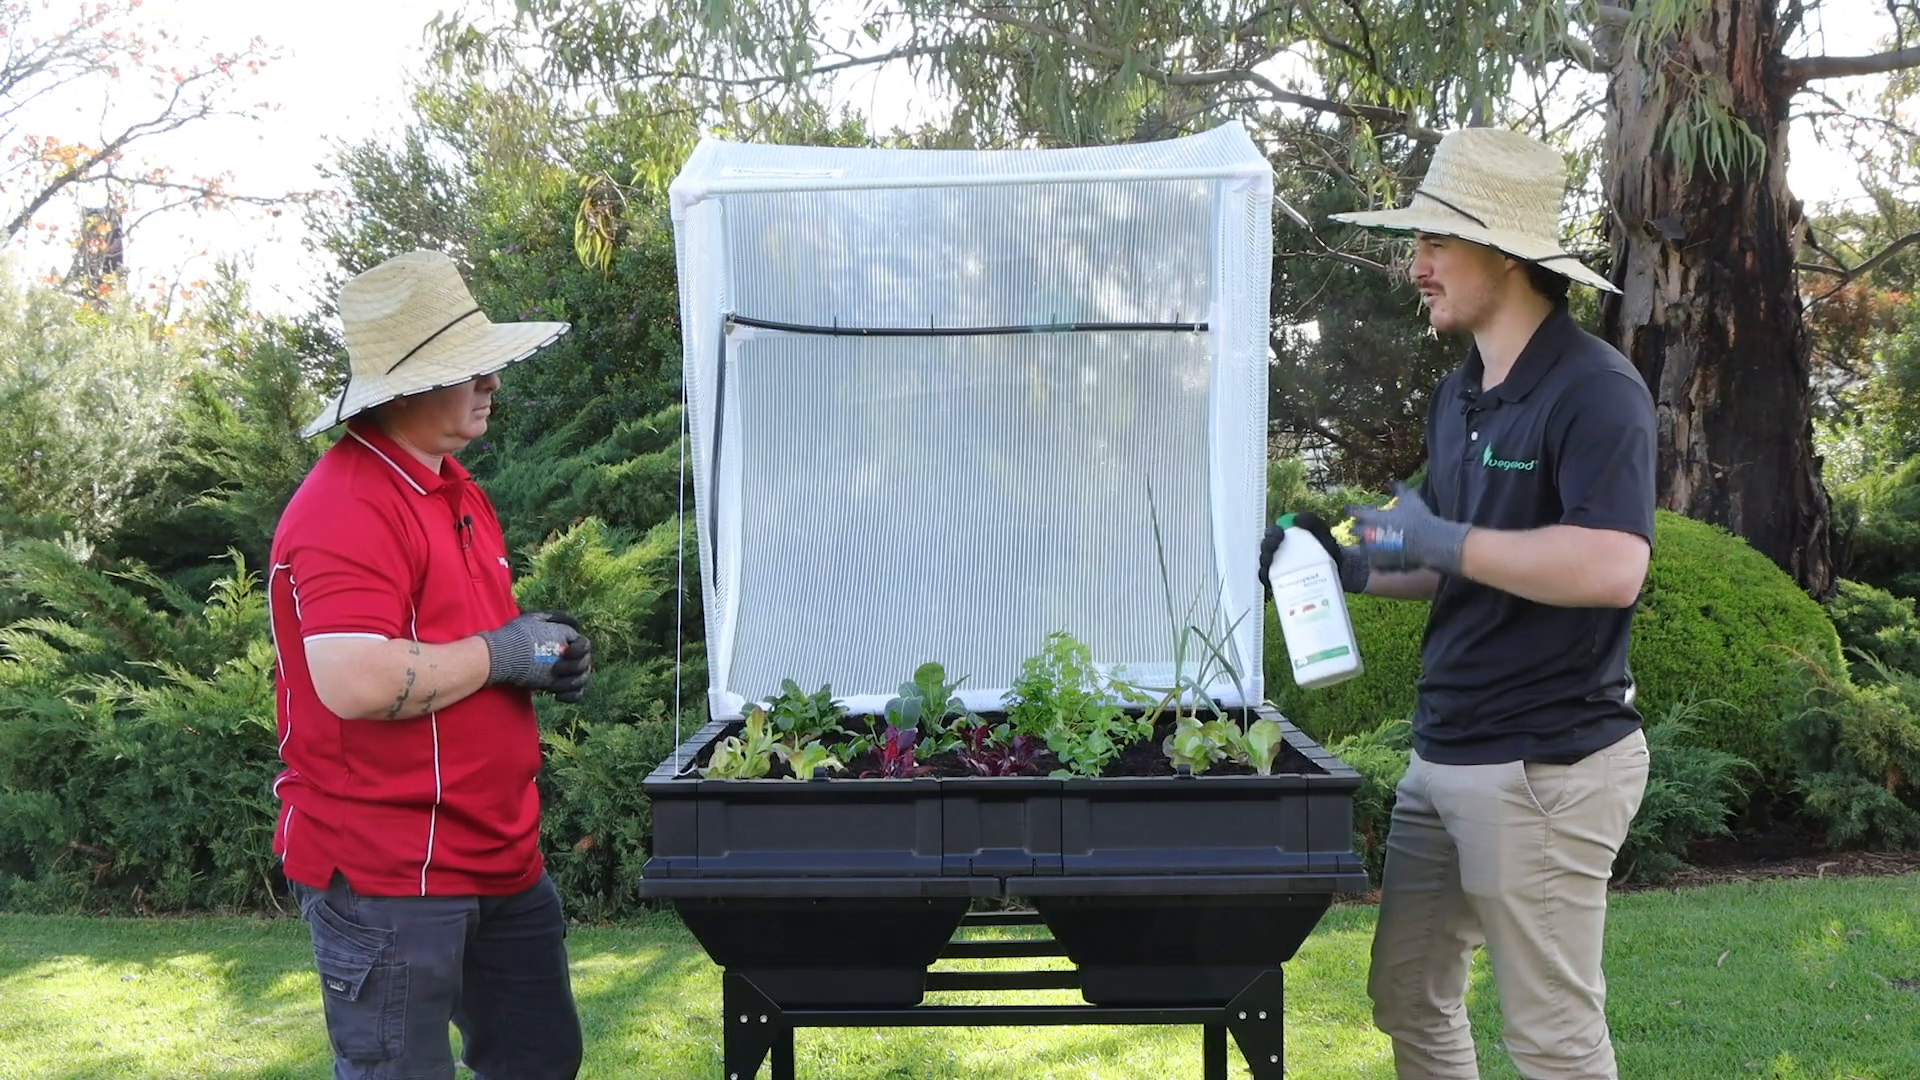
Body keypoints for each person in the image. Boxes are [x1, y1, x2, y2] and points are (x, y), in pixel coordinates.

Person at [1260, 128, 1656, 1080]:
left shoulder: (1595, 390)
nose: (1416, 267)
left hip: (1548, 765)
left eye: (1435, 242)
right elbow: (1445, 556)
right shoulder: (1464, 393)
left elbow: (1611, 566)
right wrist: (1338, 557)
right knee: (1408, 998)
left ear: (1506, 254)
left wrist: (1444, 539)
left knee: (1553, 1039)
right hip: (1447, 753)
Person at [269, 249, 593, 1080]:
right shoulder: (347, 504)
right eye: (468, 368)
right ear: (405, 389)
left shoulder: (454, 488)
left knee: (541, 1062)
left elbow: (463, 641)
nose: (490, 381)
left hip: (500, 859)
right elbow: (359, 681)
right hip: (391, 872)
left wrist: (539, 653)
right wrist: (503, 652)